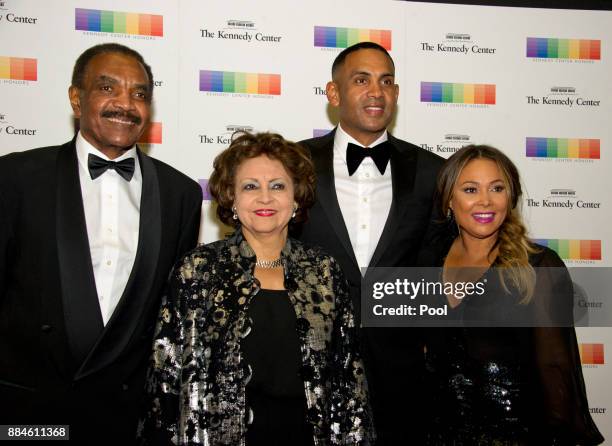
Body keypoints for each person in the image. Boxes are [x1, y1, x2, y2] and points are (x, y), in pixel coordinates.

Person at [0, 43, 202, 442]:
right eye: (108, 88)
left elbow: (170, 315)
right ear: (77, 99)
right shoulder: (17, 178)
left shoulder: (180, 193)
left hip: (126, 416)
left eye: (140, 94)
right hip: (29, 411)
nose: (126, 105)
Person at [139, 132, 373, 445]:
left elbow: (349, 381)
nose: (265, 197)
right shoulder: (198, 271)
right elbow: (164, 381)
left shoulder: (324, 270)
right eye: (250, 186)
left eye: (278, 186)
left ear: (296, 198)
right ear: (231, 199)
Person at [296, 41, 444, 443]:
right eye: (361, 80)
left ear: (396, 93)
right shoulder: (292, 164)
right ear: (334, 93)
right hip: (307, 364)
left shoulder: (432, 171)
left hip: (401, 370)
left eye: (386, 82)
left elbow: (435, 264)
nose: (376, 92)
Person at [424, 144, 603, 445]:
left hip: (514, 436)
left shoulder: (538, 266)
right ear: (449, 201)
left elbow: (555, 369)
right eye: (470, 189)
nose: (485, 201)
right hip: (438, 434)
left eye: (497, 188)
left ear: (511, 197)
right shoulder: (428, 262)